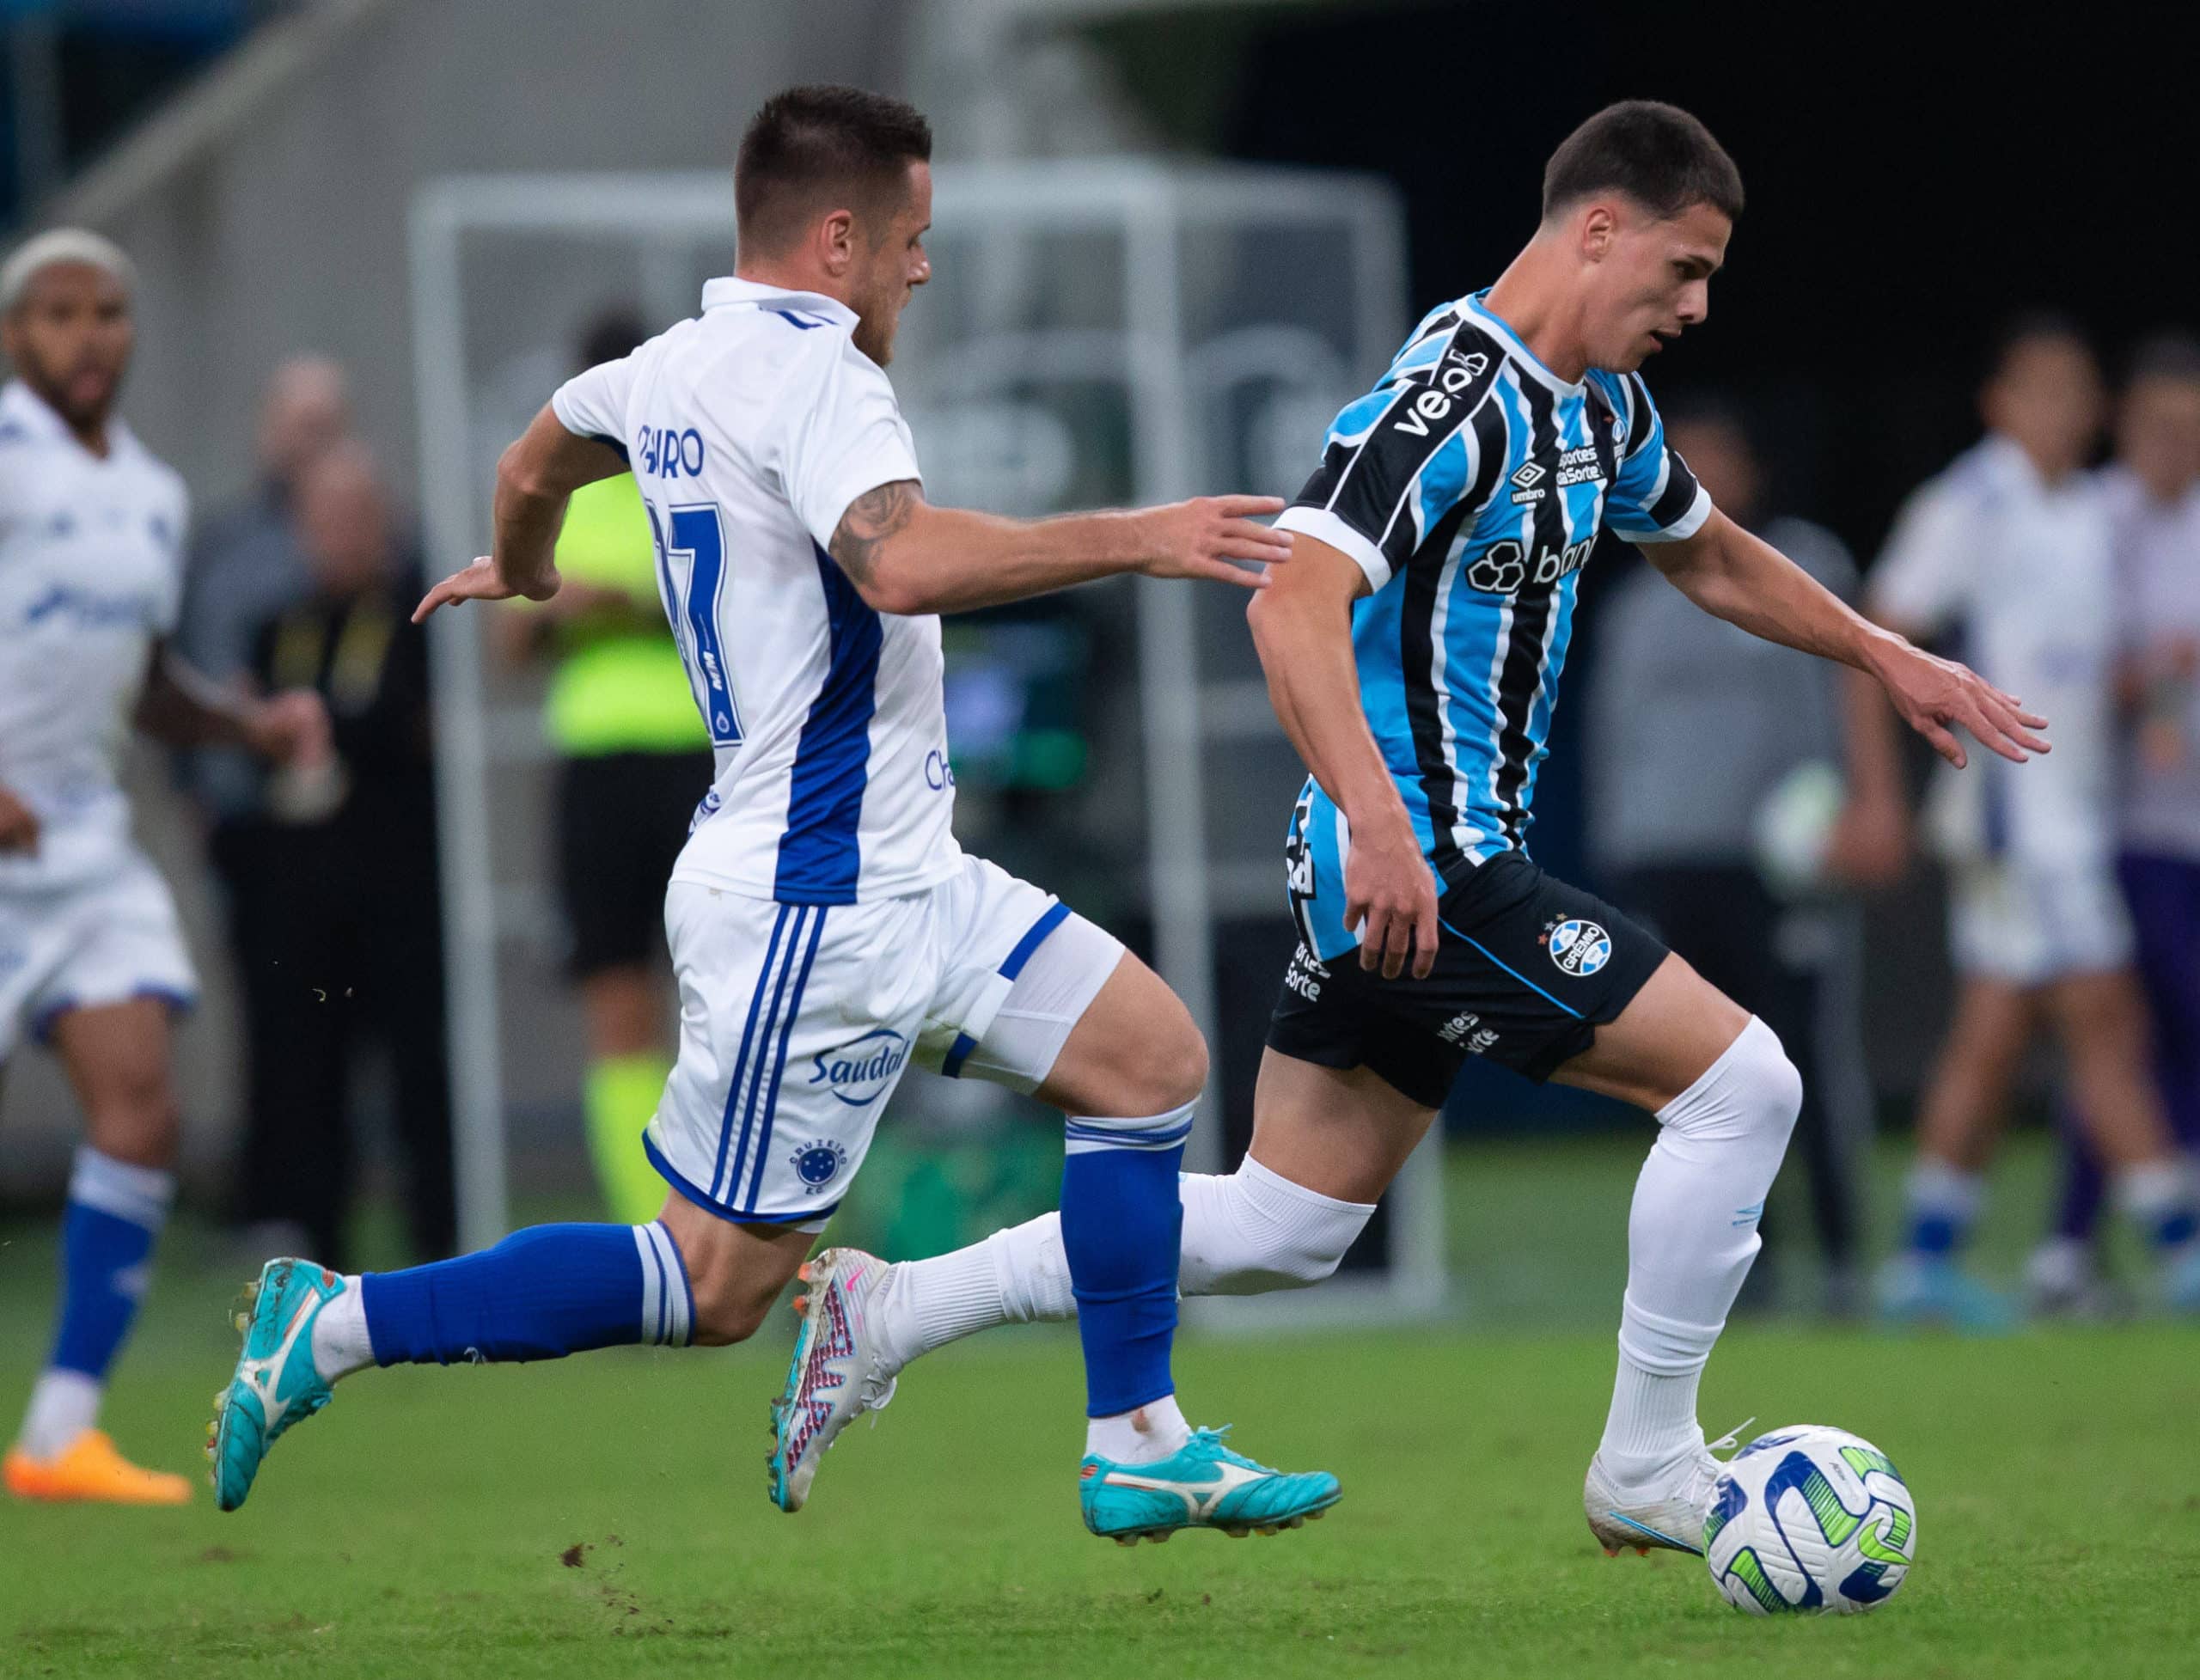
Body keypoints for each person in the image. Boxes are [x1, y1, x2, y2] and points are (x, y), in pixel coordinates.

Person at [779, 100, 2049, 1560]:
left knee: (1284, 1227)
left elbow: (1704, 549)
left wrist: (1887, 654)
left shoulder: (1600, 406)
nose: (1697, 306)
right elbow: (1291, 600)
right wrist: (1383, 826)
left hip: (1418, 865)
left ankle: (892, 1308)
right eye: (1684, 269)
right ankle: (1647, 1461)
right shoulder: (1447, 398)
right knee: (1743, 1086)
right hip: (1424, 866)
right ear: (1598, 229)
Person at [210, 84, 1339, 1544]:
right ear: (839, 234)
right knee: (712, 1286)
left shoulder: (664, 366)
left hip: (902, 870)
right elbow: (901, 564)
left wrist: (525, 562)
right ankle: (337, 1325)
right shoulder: (822, 378)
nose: (920, 270)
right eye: (913, 239)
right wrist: (1140, 533)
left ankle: (1136, 1439)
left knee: (1150, 1064)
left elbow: (530, 459)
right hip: (816, 900)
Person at [0, 229, 327, 1505]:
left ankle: (58, 1434)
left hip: (83, 849)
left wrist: (247, 723)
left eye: (110, 312)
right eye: (59, 313)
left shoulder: (148, 488)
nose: (89, 336)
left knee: (142, 1108)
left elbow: (138, 678)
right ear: (18, 334)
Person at [1869, 316, 2200, 1326]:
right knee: (2108, 1018)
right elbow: (1883, 624)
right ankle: (2178, 1250)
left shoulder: (2084, 517)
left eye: (2075, 392)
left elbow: (2073, 663)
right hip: (2017, 814)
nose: (2062, 411)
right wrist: (1881, 789)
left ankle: (1923, 1260)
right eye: (2040, 390)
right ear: (1999, 402)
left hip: (2070, 810)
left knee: (1994, 1033)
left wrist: (2144, 692)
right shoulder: (1973, 501)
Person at [1587, 400, 1904, 1316]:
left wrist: (1870, 800)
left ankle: (1845, 1257)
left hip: (1781, 856)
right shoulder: (1634, 601)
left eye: (1721, 453)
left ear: (1755, 469)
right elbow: (1617, 739)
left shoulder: (1801, 562)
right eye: (1688, 456)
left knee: (1803, 1057)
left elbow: (1856, 678)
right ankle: (1740, 1264)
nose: (1704, 470)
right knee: (1698, 1078)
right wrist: (1617, 857)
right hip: (1669, 856)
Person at [498, 309, 716, 1226]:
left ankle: (738, 1216)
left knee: (722, 996)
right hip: (595, 767)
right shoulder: (562, 493)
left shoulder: (699, 480)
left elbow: (738, 610)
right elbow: (512, 637)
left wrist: (632, 601)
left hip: (699, 762)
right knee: (617, 997)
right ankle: (651, 1232)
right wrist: (561, 605)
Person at [236, 441, 454, 1271]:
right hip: (300, 896)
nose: (340, 534)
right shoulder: (278, 626)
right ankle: (312, 1254)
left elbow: (407, 730)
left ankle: (436, 1244)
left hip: (396, 891)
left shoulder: (416, 617)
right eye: (323, 518)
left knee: (417, 1072)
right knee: (304, 1077)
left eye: (357, 516)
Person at [2027, 333, 2200, 1313]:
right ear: (2126, 428)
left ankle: (2090, 1237)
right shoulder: (2095, 522)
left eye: (2190, 428)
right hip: (2123, 825)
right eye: (2158, 426)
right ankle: (2075, 1240)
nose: (2175, 445)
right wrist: (2131, 679)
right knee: (2120, 1028)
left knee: (2146, 1034)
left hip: (2189, 821)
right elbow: (2060, 659)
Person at [173, 356, 353, 1254]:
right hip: (246, 822)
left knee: (338, 1019)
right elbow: (166, 671)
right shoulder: (223, 542)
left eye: (329, 424)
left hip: (339, 825)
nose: (311, 443)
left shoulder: (365, 534)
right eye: (299, 423)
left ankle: (330, 1210)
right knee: (266, 1014)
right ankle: (267, 1205)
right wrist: (193, 789)